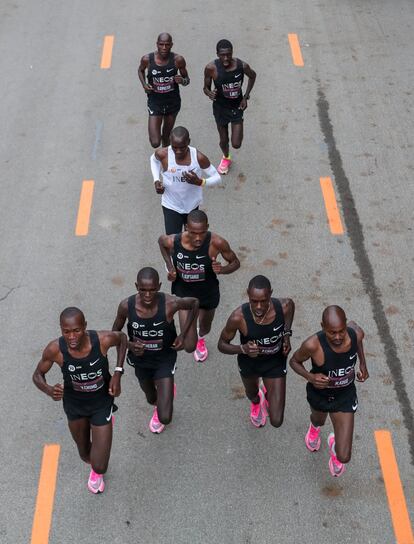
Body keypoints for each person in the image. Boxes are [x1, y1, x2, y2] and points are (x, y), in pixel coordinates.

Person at [32, 307, 127, 494]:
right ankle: (100, 439)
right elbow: (37, 375)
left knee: (99, 466)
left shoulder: (102, 340)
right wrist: (49, 390)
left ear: (85, 326)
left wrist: (118, 372)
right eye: (66, 332)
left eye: (76, 330)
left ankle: (104, 426)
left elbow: (122, 339)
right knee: (84, 453)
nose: (72, 336)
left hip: (101, 403)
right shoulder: (55, 350)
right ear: (61, 330)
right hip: (75, 407)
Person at [112, 267, 199, 434]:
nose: (147, 295)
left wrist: (183, 334)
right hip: (141, 361)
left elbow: (194, 303)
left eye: (152, 290)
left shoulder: (170, 304)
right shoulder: (126, 306)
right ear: (136, 286)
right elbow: (115, 333)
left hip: (164, 359)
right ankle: (162, 396)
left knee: (165, 417)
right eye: (143, 290)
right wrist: (130, 345)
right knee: (151, 398)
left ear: (159, 286)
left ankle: (167, 388)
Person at [289, 306, 369, 477]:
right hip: (320, 394)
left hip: (345, 396)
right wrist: (310, 377)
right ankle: (314, 428)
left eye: (341, 331)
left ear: (346, 325)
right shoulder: (312, 345)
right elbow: (294, 361)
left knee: (344, 456)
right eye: (332, 332)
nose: (338, 337)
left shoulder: (355, 333)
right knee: (318, 420)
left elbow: (358, 341)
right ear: (323, 326)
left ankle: (334, 446)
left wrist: (362, 363)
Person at [159, 209, 240, 362]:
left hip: (207, 294)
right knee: (189, 346)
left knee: (205, 327)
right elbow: (161, 242)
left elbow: (236, 263)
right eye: (193, 233)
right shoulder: (173, 241)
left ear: (207, 227)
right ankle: (188, 337)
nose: (197, 238)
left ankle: (201, 338)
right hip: (185, 296)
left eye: (202, 233)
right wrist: (170, 266)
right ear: (186, 228)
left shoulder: (217, 243)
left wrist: (222, 270)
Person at [218, 275, 294, 428]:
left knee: (277, 420)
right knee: (252, 394)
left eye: (263, 301)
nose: (259, 307)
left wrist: (286, 335)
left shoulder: (284, 306)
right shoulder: (238, 317)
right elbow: (221, 345)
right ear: (248, 294)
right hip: (250, 364)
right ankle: (257, 401)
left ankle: (268, 389)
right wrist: (243, 349)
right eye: (254, 301)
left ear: (270, 294)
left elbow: (291, 308)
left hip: (275, 363)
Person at [150, 126, 221, 234]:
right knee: (173, 241)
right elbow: (153, 160)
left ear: (188, 142)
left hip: (192, 206)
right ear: (170, 142)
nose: (178, 151)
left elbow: (217, 178)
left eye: (182, 147)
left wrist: (200, 182)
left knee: (192, 241)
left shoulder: (198, 158)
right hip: (171, 205)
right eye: (174, 147)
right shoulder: (163, 154)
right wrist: (156, 180)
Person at [203, 39, 256, 174]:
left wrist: (245, 96)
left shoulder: (241, 66)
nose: (225, 58)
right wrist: (210, 94)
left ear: (232, 53)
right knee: (223, 140)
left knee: (236, 144)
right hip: (220, 108)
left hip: (237, 107)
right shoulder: (211, 68)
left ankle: (230, 150)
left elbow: (253, 76)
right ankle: (226, 157)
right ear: (217, 54)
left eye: (228, 54)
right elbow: (205, 88)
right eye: (222, 55)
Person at [138, 32, 190, 148]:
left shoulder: (178, 60)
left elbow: (187, 79)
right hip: (155, 103)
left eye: (167, 45)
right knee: (155, 142)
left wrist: (182, 81)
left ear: (172, 45)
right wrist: (144, 84)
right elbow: (140, 70)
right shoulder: (147, 59)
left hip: (172, 103)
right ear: (157, 44)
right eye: (161, 44)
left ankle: (165, 161)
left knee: (166, 137)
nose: (164, 48)